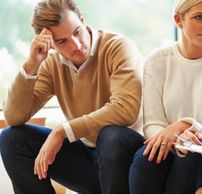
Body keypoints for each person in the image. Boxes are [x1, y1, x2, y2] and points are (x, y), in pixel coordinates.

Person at [0, 0, 144, 193]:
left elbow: (125, 110)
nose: (76, 45)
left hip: (129, 160)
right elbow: (14, 117)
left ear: (82, 20)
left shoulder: (117, 47)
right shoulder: (51, 65)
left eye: (77, 32)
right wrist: (31, 65)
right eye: (62, 41)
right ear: (50, 44)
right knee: (12, 138)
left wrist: (63, 131)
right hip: (90, 161)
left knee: (111, 135)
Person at [128, 0, 202, 193]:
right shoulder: (157, 61)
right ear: (178, 20)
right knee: (146, 158)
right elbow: (152, 124)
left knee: (191, 155)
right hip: (172, 146)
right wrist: (178, 138)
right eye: (199, 17)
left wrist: (188, 127)